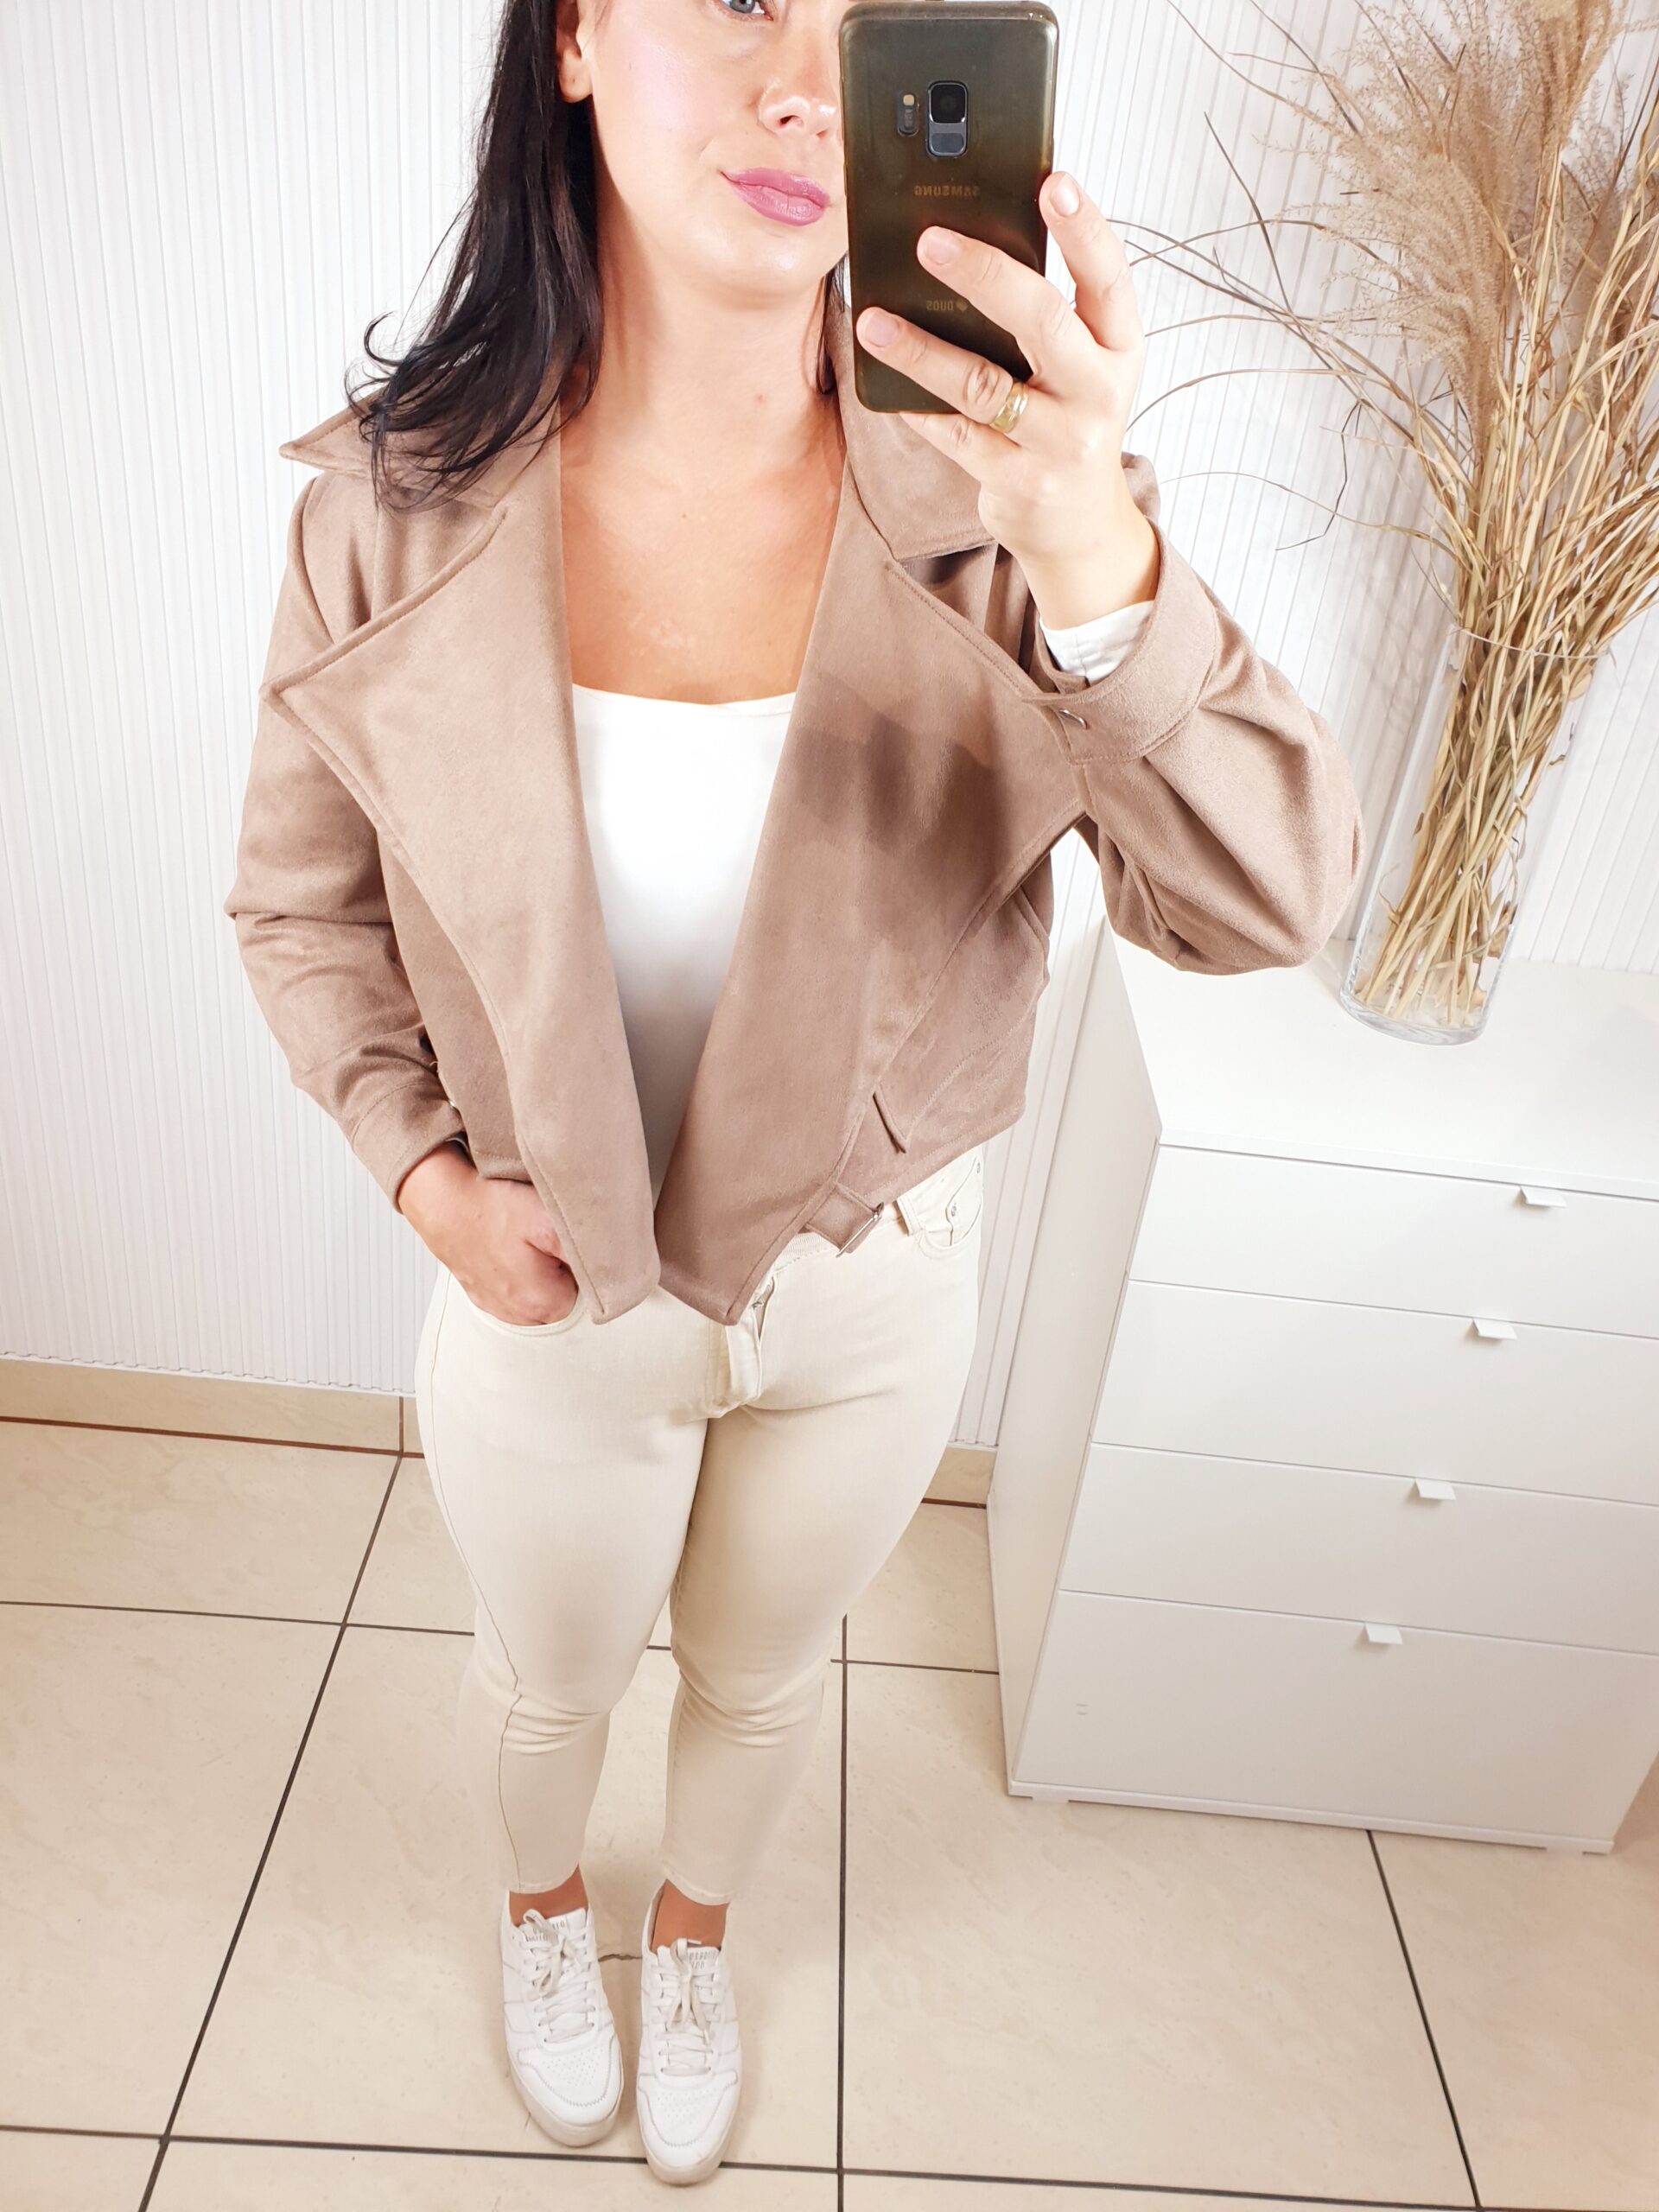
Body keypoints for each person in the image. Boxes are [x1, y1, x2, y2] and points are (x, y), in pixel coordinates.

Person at [225, 0, 1366, 2185]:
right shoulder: (391, 510)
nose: (800, 87)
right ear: (576, 36)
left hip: (871, 1278)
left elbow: (1260, 903)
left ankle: (692, 1936)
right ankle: (545, 1913)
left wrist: (1093, 542)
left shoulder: (1006, 514)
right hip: (548, 1276)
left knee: (759, 1681)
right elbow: (299, 904)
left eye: (870, 21)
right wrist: (427, 1179)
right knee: (550, 1681)